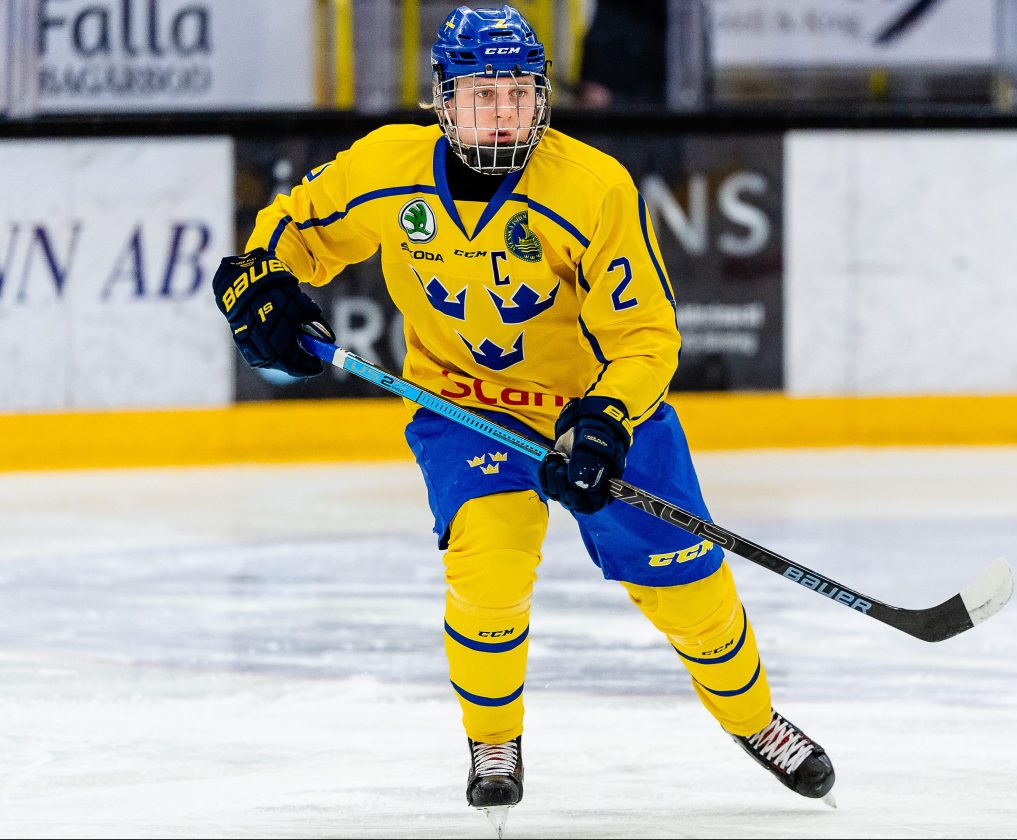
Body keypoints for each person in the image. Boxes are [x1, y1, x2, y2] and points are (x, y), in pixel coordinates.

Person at [211, 4, 834, 830]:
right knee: (488, 569)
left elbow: (646, 335)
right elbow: (292, 234)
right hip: (464, 407)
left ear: (542, 98)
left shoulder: (591, 187)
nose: (502, 111)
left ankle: (755, 720)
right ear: (444, 99)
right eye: (482, 93)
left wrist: (607, 420)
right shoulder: (385, 170)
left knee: (693, 594)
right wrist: (255, 284)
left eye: (518, 93)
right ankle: (492, 742)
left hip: (599, 415)